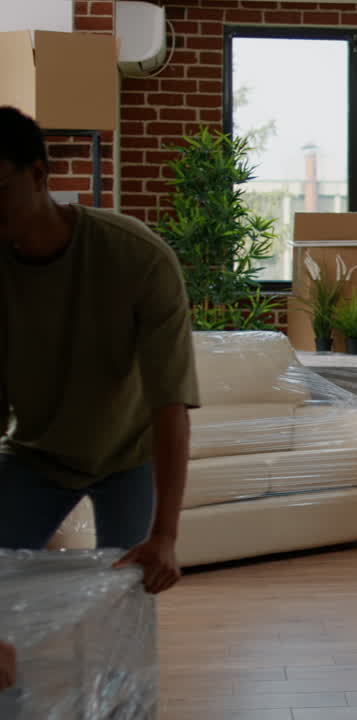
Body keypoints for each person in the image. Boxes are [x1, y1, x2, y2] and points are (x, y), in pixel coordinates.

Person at [0, 105, 198, 595]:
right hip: (34, 454)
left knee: (126, 595)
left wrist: (166, 536)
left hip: (129, 454)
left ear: (38, 175)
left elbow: (170, 402)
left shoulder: (137, 257)